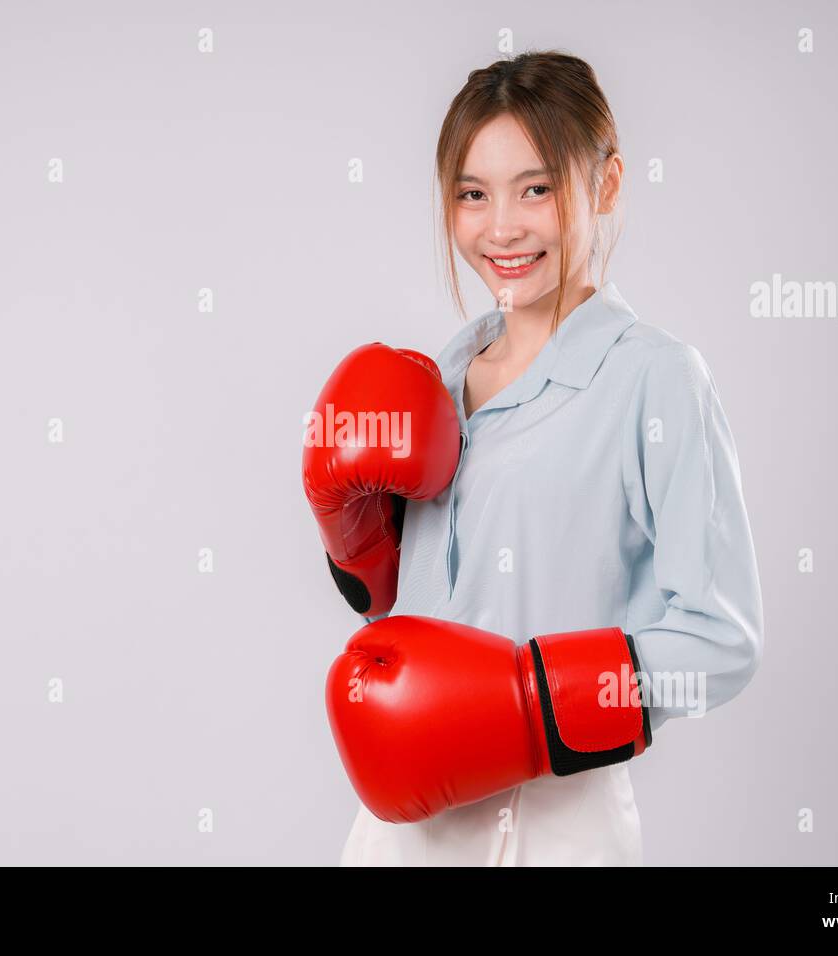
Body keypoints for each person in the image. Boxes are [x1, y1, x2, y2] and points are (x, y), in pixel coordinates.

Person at [307, 51, 764, 866]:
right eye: (472, 195)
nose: (503, 228)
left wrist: (528, 705)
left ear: (608, 184)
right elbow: (411, 621)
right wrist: (357, 543)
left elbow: (720, 640)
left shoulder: (653, 377)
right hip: (401, 823)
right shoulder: (436, 381)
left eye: (537, 188)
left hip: (553, 824)